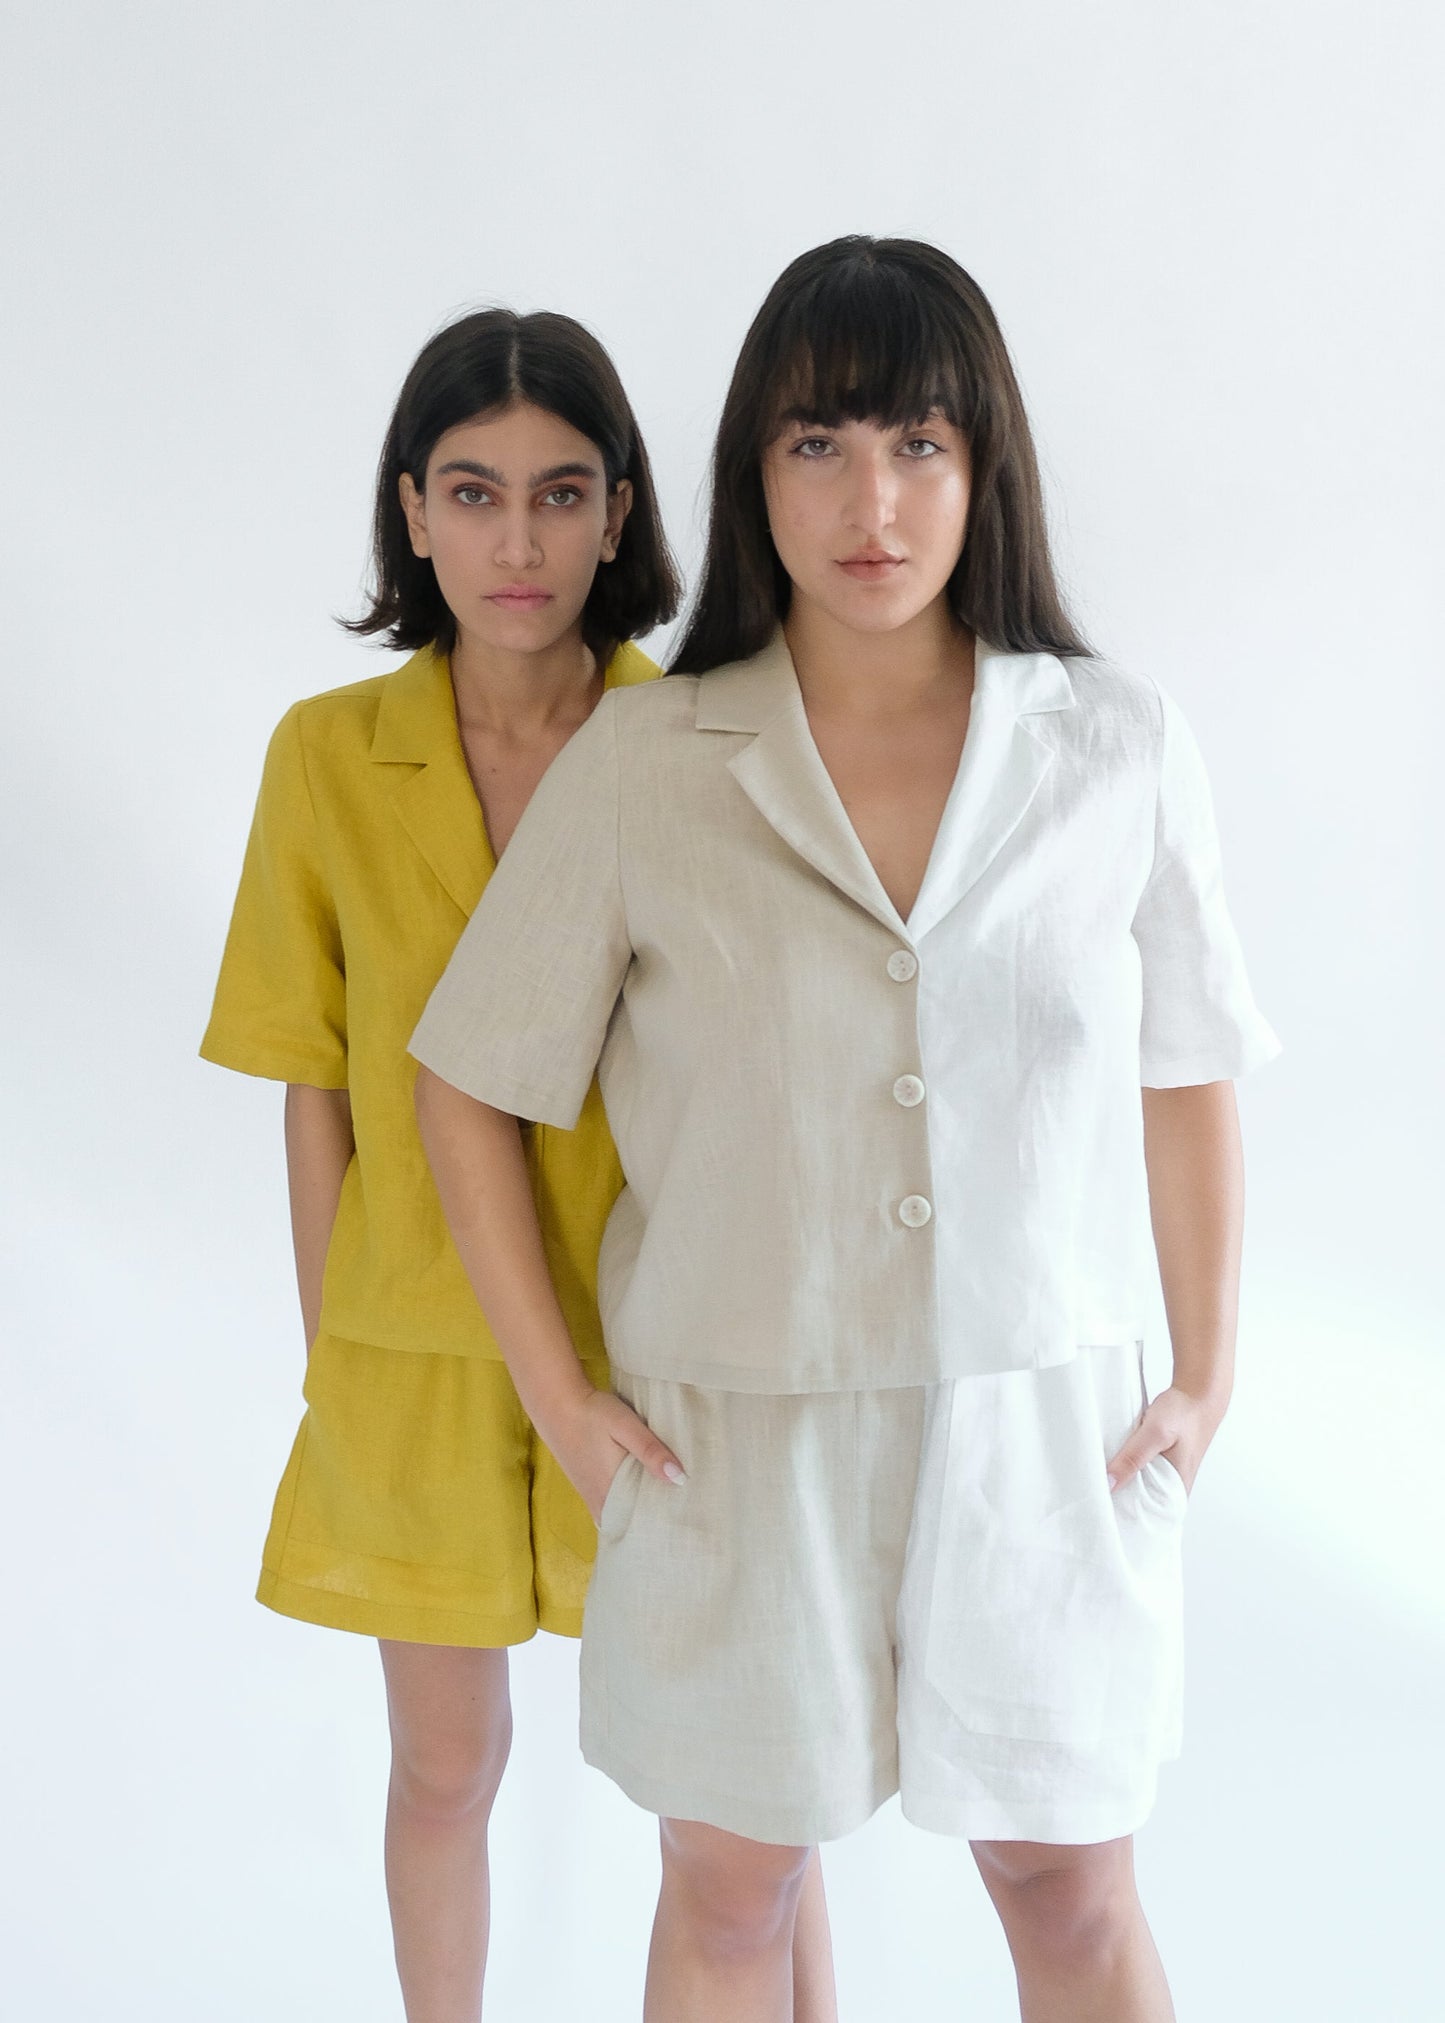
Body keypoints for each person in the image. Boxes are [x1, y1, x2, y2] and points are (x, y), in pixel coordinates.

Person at [409, 238, 1280, 2023]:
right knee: (730, 1893)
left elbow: (1190, 1070)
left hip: (1041, 1422)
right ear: (750, 475)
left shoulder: (1112, 747)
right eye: (816, 445)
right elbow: (468, 1084)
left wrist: (1203, 1378)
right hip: (733, 1431)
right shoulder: (651, 772)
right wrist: (565, 1408)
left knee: (1066, 1881)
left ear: (986, 471)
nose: (868, 500)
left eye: (917, 444)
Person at [199, 305, 839, 2023]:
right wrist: (335, 1345)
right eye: (473, 494)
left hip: (668, 1339)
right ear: (410, 511)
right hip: (409, 1360)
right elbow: (314, 1084)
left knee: (744, 1807)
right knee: (444, 1768)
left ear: (622, 513)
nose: (518, 540)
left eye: (561, 495)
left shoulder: (705, 741)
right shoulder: (326, 760)